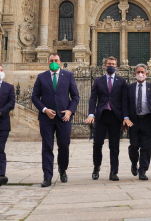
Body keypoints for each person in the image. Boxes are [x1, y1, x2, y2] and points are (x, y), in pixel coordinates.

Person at [32, 53, 79, 187]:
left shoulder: (68, 76)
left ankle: (62, 169)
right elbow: (35, 97)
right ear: (48, 62)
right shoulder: (41, 77)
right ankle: (47, 176)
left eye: (56, 60)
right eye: (51, 60)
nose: (54, 62)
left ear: (60, 62)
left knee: (64, 145)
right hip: (46, 118)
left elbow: (75, 96)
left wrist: (70, 111)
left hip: (64, 117)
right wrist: (44, 109)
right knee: (47, 146)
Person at [85, 56, 132, 181]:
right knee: (97, 143)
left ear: (116, 66)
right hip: (101, 116)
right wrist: (91, 114)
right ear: (105, 66)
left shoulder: (121, 81)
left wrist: (125, 117)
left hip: (115, 117)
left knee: (114, 145)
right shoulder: (98, 81)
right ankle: (96, 167)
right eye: (109, 64)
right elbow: (93, 99)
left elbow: (124, 101)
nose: (111, 65)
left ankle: (114, 172)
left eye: (113, 64)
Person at [127, 64, 151, 180]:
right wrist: (125, 119)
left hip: (147, 120)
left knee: (146, 147)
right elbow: (126, 104)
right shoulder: (130, 87)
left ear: (146, 74)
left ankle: (143, 170)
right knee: (134, 146)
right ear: (135, 74)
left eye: (142, 72)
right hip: (133, 120)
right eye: (138, 72)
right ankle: (134, 163)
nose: (140, 74)